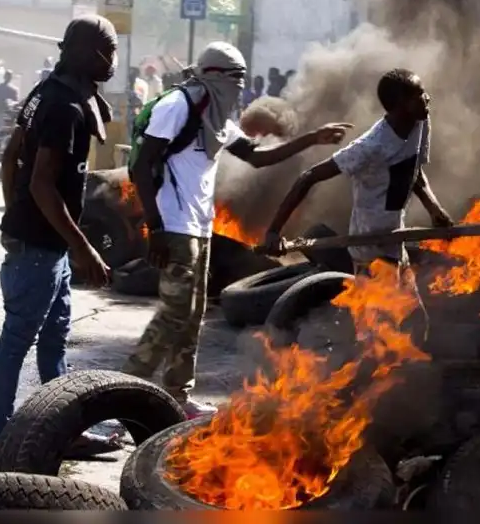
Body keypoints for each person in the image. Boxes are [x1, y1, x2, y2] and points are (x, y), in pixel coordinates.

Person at [122, 41, 351, 418]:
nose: (239, 87)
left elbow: (256, 157)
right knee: (173, 316)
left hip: (199, 227)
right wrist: (156, 226)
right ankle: (122, 397)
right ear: (214, 75)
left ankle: (178, 395)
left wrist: (311, 139)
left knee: (192, 316)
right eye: (235, 78)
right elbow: (145, 166)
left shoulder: (214, 115)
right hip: (174, 227)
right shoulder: (176, 107)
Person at [0, 15, 119, 467]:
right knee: (16, 341)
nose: (114, 61)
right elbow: (41, 183)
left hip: (44, 245)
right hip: (40, 248)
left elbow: (9, 158)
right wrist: (83, 246)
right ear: (90, 54)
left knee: (54, 340)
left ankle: (61, 430)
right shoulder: (63, 106)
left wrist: (12, 216)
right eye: (110, 51)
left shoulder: (44, 93)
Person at [261, 69, 453, 344]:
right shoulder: (371, 146)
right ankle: (363, 380)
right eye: (419, 95)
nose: (427, 99)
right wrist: (273, 232)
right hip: (370, 247)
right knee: (379, 332)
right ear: (400, 104)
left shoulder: (419, 121)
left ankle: (393, 376)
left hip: (394, 241)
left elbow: (414, 172)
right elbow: (308, 178)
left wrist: (435, 210)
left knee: (415, 322)